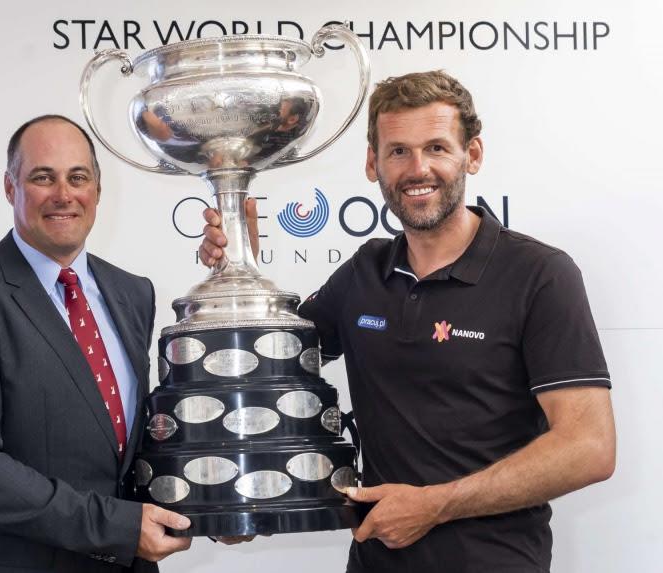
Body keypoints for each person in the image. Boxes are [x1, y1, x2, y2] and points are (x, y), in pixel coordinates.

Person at [199, 71, 616, 572]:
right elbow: (271, 361)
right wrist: (239, 268)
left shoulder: (538, 274)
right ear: (373, 164)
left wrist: (436, 505)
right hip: (376, 560)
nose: (418, 169)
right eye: (398, 151)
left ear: (473, 155)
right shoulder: (364, 272)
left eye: (437, 147)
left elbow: (589, 446)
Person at [0, 115, 192, 572]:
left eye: (78, 177)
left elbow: (129, 441)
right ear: (10, 188)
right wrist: (119, 528)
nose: (64, 194)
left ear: (98, 191)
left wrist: (209, 498)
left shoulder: (132, 292)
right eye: (43, 177)